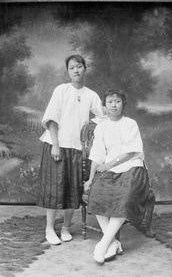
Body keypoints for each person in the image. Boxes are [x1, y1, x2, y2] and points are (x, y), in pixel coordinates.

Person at [37, 54, 105, 245]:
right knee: (54, 188)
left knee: (72, 189)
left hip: (77, 148)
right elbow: (51, 118)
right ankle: (50, 229)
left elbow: (103, 117)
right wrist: (56, 145)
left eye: (79, 66)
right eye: (72, 68)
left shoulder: (91, 95)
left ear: (85, 68)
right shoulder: (61, 90)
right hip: (56, 145)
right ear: (68, 71)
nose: (76, 70)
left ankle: (66, 227)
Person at [84, 89, 150, 264]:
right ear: (104, 106)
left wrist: (109, 165)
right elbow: (97, 155)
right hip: (109, 170)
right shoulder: (102, 127)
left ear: (123, 104)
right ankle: (112, 242)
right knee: (96, 191)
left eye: (117, 101)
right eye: (110, 102)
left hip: (132, 167)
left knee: (125, 195)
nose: (113, 105)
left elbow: (130, 152)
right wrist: (91, 179)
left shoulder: (130, 124)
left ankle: (103, 244)